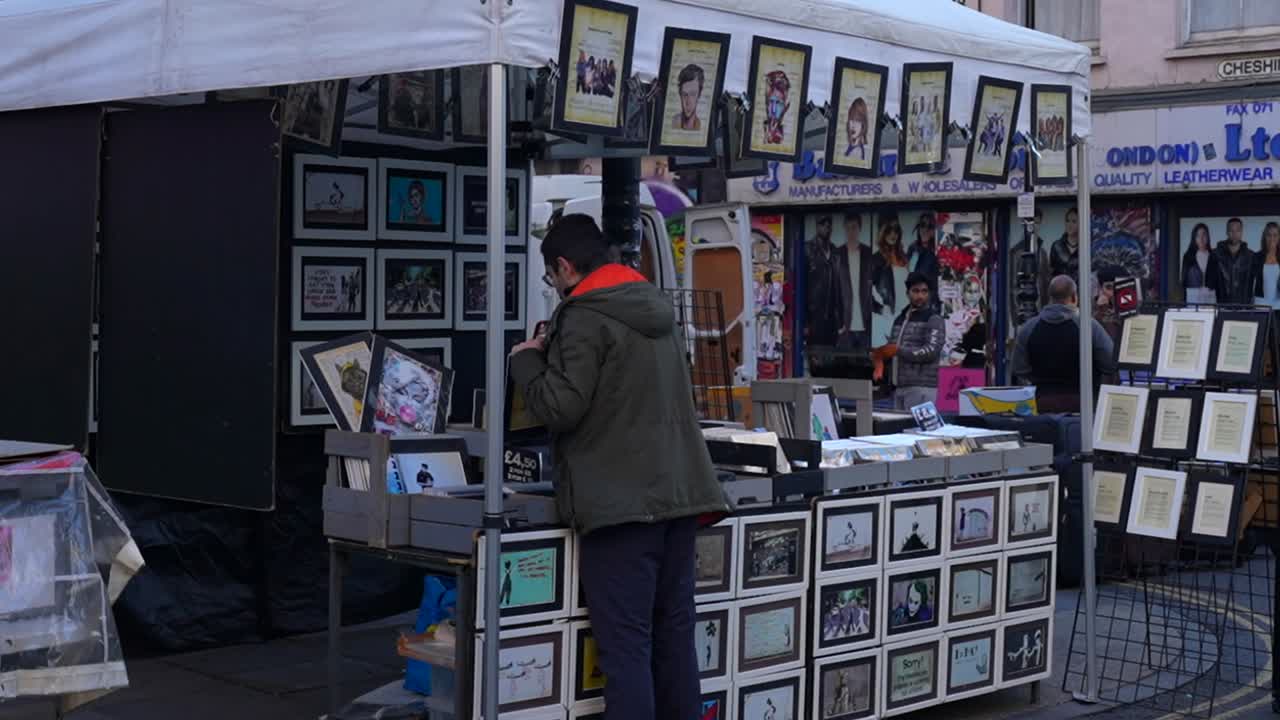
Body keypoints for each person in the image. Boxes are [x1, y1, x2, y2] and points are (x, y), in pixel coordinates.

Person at [510, 214, 729, 720]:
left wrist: (526, 361)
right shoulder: (655, 306)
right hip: (681, 496)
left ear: (564, 267)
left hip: (620, 506)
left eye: (551, 278)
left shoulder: (584, 314)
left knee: (626, 648)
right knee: (674, 637)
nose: (554, 288)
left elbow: (562, 407)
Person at [1011, 275, 1117, 414]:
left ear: (1049, 297)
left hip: (1042, 404)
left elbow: (1019, 368)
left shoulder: (1029, 328)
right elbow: (1110, 363)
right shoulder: (1088, 326)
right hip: (1083, 405)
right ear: (1074, 297)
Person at [886, 272, 944, 410]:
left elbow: (931, 351)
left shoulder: (934, 319)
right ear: (908, 293)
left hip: (921, 387)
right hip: (899, 386)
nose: (920, 296)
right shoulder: (900, 318)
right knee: (899, 430)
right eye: (916, 291)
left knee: (916, 431)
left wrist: (898, 350)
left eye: (924, 291)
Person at [806, 215, 851, 348]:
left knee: (830, 354)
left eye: (829, 224)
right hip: (814, 315)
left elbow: (840, 287)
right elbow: (801, 287)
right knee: (814, 353)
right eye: (822, 223)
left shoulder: (836, 252)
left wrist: (842, 320)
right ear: (817, 226)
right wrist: (804, 321)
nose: (826, 227)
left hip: (832, 316)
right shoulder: (808, 249)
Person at [843, 213, 874, 339]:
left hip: (866, 320)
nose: (851, 231)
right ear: (844, 228)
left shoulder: (868, 253)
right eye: (848, 227)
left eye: (854, 227)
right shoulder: (837, 254)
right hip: (845, 322)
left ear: (859, 229)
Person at [1213, 217, 1256, 304]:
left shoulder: (1250, 256)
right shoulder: (1216, 254)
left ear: (1241, 232)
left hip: (1245, 307)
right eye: (1231, 230)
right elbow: (1210, 283)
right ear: (1226, 232)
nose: (1234, 234)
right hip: (1222, 306)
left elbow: (1254, 283)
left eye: (1237, 230)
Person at [1181, 222, 1218, 304]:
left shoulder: (1214, 256)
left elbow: (1218, 282)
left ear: (1208, 237)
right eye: (1198, 235)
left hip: (1210, 299)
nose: (1201, 238)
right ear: (1194, 238)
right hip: (1193, 299)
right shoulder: (1188, 257)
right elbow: (1184, 282)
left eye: (1204, 235)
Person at [1049, 207, 1081, 282]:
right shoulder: (1057, 246)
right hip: (1061, 290)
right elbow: (1051, 271)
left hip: (1081, 290)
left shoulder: (1086, 246)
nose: (1069, 224)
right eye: (1067, 221)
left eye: (1074, 221)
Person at [1255, 221, 1280, 307]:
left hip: (1279, 304)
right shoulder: (1256, 257)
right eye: (1268, 235)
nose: (1272, 238)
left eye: (1275, 235)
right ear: (1264, 237)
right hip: (1260, 304)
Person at [673, 63, 704, 131]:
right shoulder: (674, 122)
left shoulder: (702, 126)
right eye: (685, 94)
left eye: (693, 94)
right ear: (680, 94)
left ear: (699, 94)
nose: (688, 102)